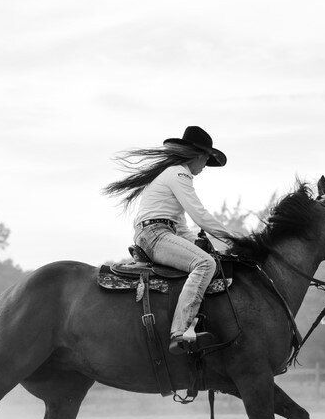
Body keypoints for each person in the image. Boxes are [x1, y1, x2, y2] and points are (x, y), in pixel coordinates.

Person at [103, 126, 243, 355]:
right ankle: (180, 331)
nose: (206, 165)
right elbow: (200, 215)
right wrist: (234, 239)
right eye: (207, 158)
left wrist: (211, 245)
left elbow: (181, 227)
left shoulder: (169, 174)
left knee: (207, 257)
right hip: (156, 235)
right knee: (205, 264)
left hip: (156, 232)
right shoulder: (180, 174)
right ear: (198, 155)